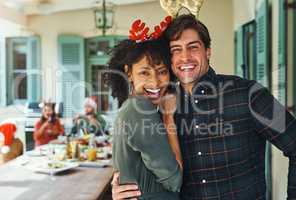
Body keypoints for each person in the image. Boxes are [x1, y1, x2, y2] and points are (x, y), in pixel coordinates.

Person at [112, 14, 296, 200]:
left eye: (193, 47)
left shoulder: (249, 94)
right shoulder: (159, 109)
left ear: (208, 51)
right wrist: (122, 188)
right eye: (176, 50)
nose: (185, 57)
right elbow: (150, 173)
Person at [108, 17, 183, 199]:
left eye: (162, 71)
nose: (155, 82)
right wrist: (168, 119)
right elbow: (175, 180)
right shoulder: (139, 108)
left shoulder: (138, 107)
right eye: (144, 72)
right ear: (128, 73)